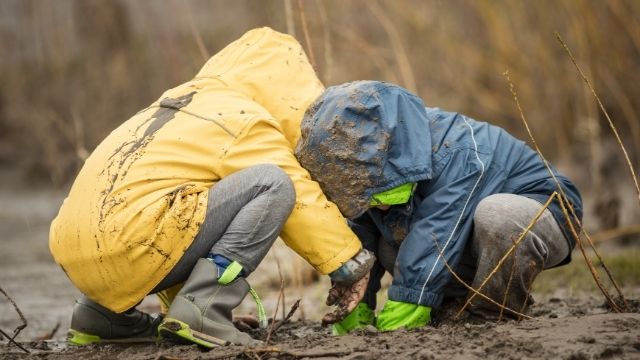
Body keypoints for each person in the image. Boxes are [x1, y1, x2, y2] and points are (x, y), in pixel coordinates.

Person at [49, 28, 372, 348]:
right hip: (137, 241)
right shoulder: (241, 118)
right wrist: (347, 263)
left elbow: (177, 222)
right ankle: (205, 307)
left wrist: (173, 309)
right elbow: (300, 195)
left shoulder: (176, 104)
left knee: (168, 205)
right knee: (273, 183)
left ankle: (100, 317)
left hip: (74, 250)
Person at [294, 81, 583, 334]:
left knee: (496, 215)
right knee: (390, 244)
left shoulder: (458, 150)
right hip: (468, 231)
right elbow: (361, 240)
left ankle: (492, 313)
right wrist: (355, 306)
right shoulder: (369, 164)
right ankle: (454, 305)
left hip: (542, 212)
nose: (371, 202)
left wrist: (404, 311)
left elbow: (436, 232)